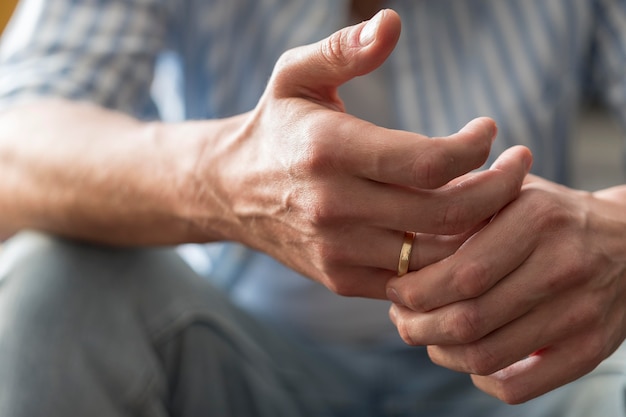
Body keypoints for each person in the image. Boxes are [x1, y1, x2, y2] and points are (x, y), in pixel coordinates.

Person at [0, 1, 625, 416]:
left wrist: (616, 234)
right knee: (48, 285)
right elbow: (14, 146)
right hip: (240, 358)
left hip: (538, 370)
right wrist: (225, 176)